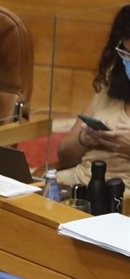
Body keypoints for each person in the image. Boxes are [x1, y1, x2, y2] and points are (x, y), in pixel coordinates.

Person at [56, 5, 130, 195]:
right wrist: (85, 138)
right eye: (127, 54)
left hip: (121, 198)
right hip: (79, 183)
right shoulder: (113, 78)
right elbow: (64, 155)